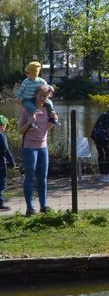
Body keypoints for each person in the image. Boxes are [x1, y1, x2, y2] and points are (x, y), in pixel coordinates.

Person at [18, 84, 54, 216]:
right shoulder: (27, 109)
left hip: (43, 147)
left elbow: (46, 128)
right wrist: (29, 122)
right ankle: (30, 208)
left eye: (45, 96)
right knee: (29, 177)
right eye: (41, 95)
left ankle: (43, 207)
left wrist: (52, 122)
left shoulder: (47, 109)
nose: (42, 98)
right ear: (36, 94)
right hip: (29, 147)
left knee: (43, 178)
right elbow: (20, 131)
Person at [15, 61, 59, 128]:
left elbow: (47, 86)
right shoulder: (25, 82)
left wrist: (51, 88)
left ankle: (52, 117)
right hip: (27, 100)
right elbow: (21, 90)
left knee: (49, 102)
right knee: (32, 108)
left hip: (37, 99)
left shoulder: (41, 81)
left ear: (34, 73)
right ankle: (31, 123)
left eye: (27, 73)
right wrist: (18, 96)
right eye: (26, 73)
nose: (26, 74)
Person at [0, 115, 16, 211]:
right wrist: (12, 162)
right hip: (1, 164)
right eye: (5, 125)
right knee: (2, 183)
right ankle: (0, 203)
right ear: (2, 125)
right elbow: (6, 150)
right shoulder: (2, 136)